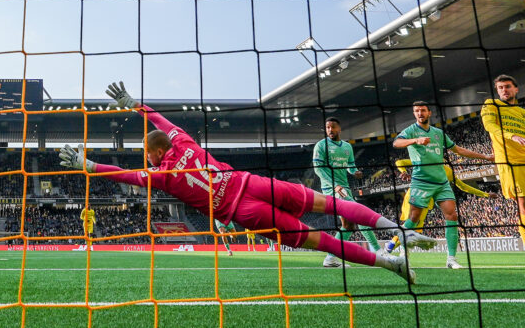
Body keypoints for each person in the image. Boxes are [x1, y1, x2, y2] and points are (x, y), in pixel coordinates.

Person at [58, 82, 436, 283]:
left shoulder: (161, 176)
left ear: (154, 155)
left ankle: (390, 264)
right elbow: (162, 122)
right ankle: (400, 232)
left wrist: (88, 164)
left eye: (147, 154)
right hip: (252, 183)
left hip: (245, 211)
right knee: (331, 205)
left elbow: (123, 174)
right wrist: (136, 104)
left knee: (325, 241)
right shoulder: (185, 141)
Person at [393, 101, 494, 269]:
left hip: (441, 182)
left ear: (429, 113)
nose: (420, 113)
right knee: (413, 219)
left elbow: (459, 150)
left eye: (423, 110)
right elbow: (396, 143)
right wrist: (415, 140)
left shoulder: (438, 133)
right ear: (414, 114)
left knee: (452, 216)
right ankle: (401, 249)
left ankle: (451, 259)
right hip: (421, 181)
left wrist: (486, 157)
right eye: (416, 111)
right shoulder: (410, 130)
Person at [312, 117, 380, 268]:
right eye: (328, 127)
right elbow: (318, 169)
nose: (330, 130)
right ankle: (378, 251)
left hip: (345, 188)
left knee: (349, 226)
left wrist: (355, 172)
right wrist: (334, 185)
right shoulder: (321, 145)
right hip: (331, 188)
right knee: (359, 213)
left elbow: (350, 165)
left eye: (333, 127)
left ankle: (330, 257)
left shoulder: (347, 147)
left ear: (339, 129)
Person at [385, 159, 490, 254]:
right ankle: (396, 250)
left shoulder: (447, 171)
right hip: (416, 197)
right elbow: (399, 162)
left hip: (424, 201)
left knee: (413, 230)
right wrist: (403, 171)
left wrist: (485, 194)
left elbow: (463, 186)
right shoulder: (426, 161)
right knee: (412, 228)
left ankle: (391, 248)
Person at [480, 74, 525, 248]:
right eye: (500, 87)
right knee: (522, 204)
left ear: (516, 89)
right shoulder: (492, 104)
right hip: (510, 162)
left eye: (507, 86)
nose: (504, 90)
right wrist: (511, 135)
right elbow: (489, 126)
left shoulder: (522, 112)